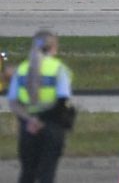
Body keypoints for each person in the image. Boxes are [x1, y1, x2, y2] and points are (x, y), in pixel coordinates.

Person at [7, 30, 73, 183]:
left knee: (27, 172)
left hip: (27, 127)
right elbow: (62, 100)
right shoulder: (58, 68)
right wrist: (42, 120)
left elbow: (13, 102)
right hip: (52, 126)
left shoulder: (22, 69)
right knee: (47, 173)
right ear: (53, 47)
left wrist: (30, 120)